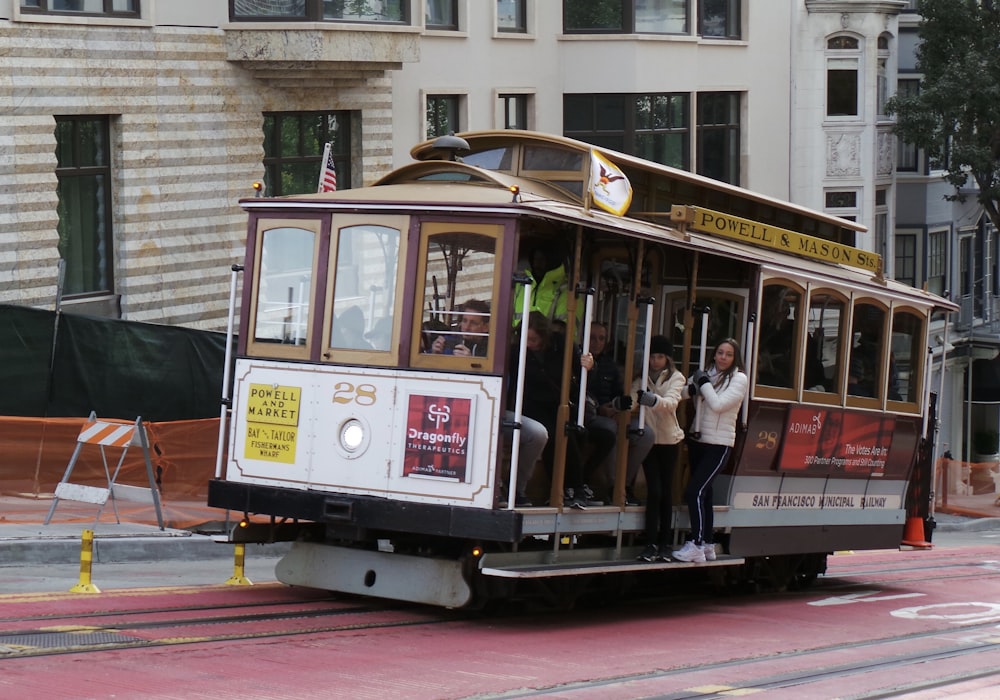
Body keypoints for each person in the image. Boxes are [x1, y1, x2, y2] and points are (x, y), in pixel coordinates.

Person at [673, 337, 748, 563]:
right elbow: (683, 393)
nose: (723, 357)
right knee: (705, 493)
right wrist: (695, 386)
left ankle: (695, 543)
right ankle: (707, 543)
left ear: (735, 358)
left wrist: (703, 384)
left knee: (694, 491)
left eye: (728, 354)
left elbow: (717, 405)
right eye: (720, 353)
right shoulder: (708, 373)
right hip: (699, 440)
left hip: (720, 443)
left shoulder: (739, 379)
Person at [517, 311, 599, 508]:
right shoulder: (517, 350)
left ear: (544, 336)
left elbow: (582, 374)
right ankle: (561, 489)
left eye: (533, 339)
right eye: (525, 338)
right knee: (554, 435)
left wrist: (589, 366)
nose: (529, 343)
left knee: (570, 432)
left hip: (558, 402)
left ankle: (575, 488)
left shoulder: (561, 345)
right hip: (531, 404)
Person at [582, 322, 652, 505]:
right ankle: (613, 485)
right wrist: (600, 410)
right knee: (611, 429)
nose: (597, 342)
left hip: (610, 414)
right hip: (588, 416)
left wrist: (618, 409)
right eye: (592, 338)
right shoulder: (577, 360)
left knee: (646, 434)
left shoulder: (609, 365)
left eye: (601, 338)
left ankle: (625, 485)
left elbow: (619, 394)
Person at [632, 335, 686, 562]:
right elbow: (634, 399)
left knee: (665, 493)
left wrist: (651, 399)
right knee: (654, 491)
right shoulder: (640, 378)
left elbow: (672, 402)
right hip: (648, 441)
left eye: (660, 357)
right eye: (652, 357)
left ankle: (665, 544)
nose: (656, 361)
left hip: (669, 441)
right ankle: (650, 543)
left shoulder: (676, 377)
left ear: (667, 358)